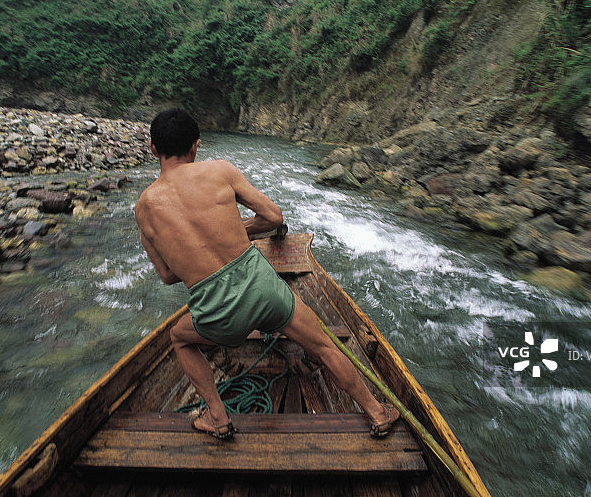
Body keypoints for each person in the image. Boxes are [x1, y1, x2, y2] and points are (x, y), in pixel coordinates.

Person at [134, 108, 399, 439]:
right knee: (324, 346)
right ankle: (376, 412)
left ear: (152, 148)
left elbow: (168, 276)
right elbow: (273, 217)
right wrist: (237, 231)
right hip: (264, 290)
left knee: (179, 337)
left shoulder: (143, 208)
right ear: (196, 146)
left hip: (217, 313)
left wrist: (194, 255)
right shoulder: (221, 171)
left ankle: (217, 416)